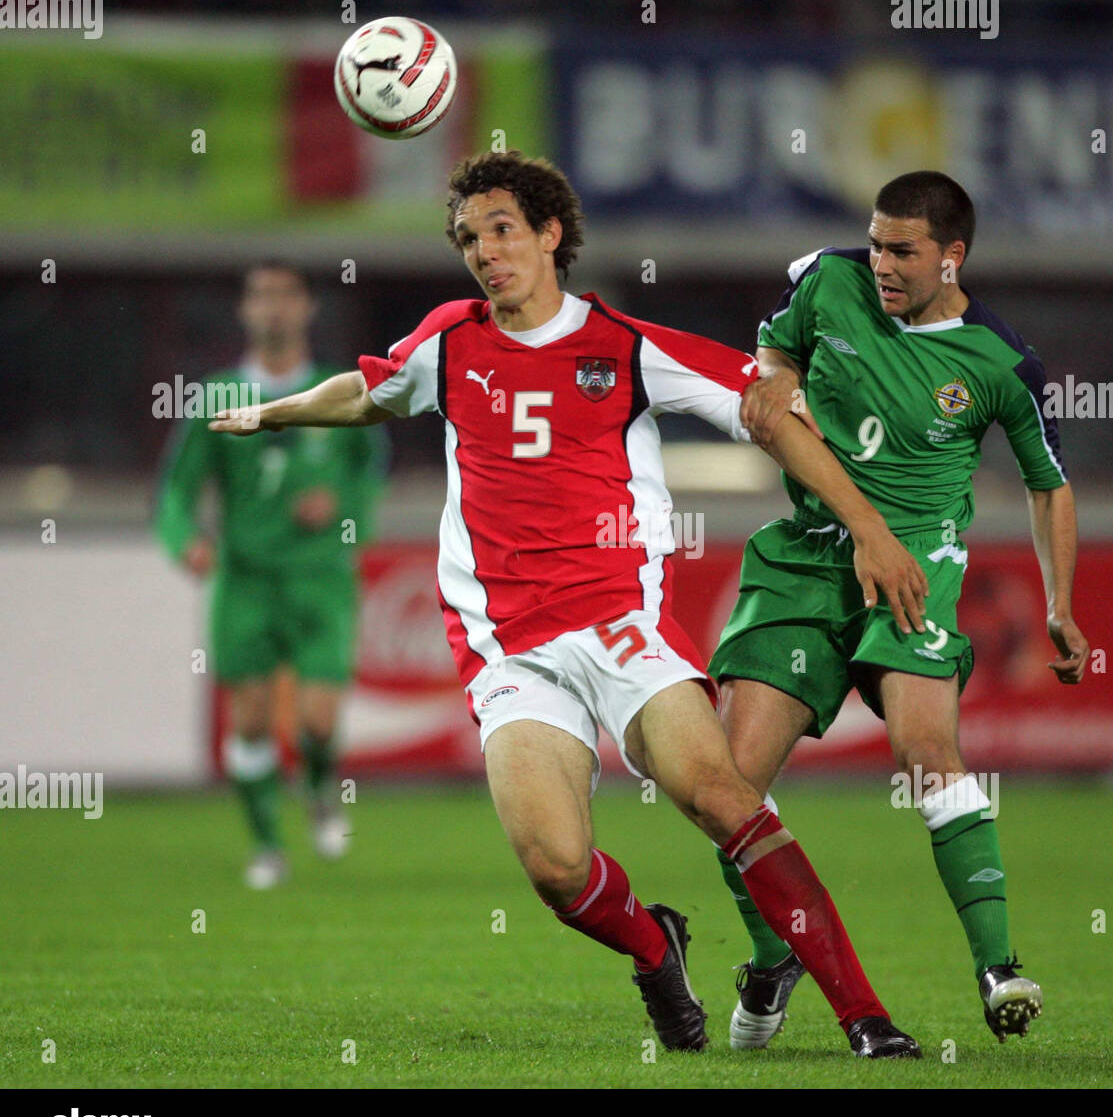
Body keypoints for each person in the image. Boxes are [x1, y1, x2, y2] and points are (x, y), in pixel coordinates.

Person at [210, 149, 921, 1058]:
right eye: (469, 237)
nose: (484, 252)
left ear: (550, 234)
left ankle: (866, 1017)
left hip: (621, 622)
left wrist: (865, 523)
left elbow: (766, 410)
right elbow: (370, 391)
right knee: (554, 866)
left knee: (724, 797)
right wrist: (272, 412)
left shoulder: (625, 346)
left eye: (502, 229)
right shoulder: (449, 341)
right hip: (510, 645)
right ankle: (657, 946)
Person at [709, 171, 1089, 1048]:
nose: (881, 261)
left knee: (926, 747)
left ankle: (998, 964)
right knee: (727, 786)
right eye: (876, 241)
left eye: (903, 250)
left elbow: (1049, 487)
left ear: (951, 257)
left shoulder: (1000, 362)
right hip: (806, 554)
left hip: (917, 564)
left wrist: (1060, 602)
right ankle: (776, 956)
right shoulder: (824, 279)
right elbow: (776, 355)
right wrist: (774, 378)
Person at [156, 263, 389, 888]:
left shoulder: (338, 390)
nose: (274, 308)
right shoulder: (215, 397)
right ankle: (267, 847)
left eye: (286, 295)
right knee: (252, 722)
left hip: (319, 580)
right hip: (246, 580)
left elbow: (369, 472)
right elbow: (176, 493)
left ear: (308, 307)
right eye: (261, 295)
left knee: (316, 721)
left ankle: (317, 789)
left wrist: (342, 512)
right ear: (244, 310)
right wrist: (188, 542)